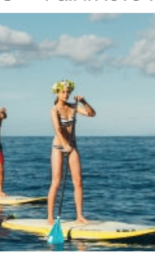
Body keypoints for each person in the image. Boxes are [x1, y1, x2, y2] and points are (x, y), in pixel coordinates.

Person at [48, 80, 96, 225]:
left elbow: (91, 114)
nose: (66, 94)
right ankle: (50, 217)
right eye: (63, 92)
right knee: (56, 181)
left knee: (78, 182)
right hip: (58, 147)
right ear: (57, 93)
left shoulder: (73, 107)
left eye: (68, 92)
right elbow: (57, 129)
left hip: (72, 146)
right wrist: (64, 145)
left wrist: (83, 101)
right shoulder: (54, 110)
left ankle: (80, 216)